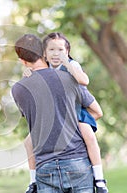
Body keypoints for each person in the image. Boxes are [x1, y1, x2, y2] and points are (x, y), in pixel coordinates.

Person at [23, 32, 108, 193]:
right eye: (52, 50)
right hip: (56, 118)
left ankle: (99, 179)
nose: (56, 53)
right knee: (28, 141)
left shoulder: (71, 65)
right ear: (44, 54)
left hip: (76, 112)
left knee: (88, 134)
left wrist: (67, 64)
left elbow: (84, 81)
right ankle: (33, 181)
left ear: (67, 52)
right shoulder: (44, 70)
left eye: (61, 50)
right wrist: (28, 73)